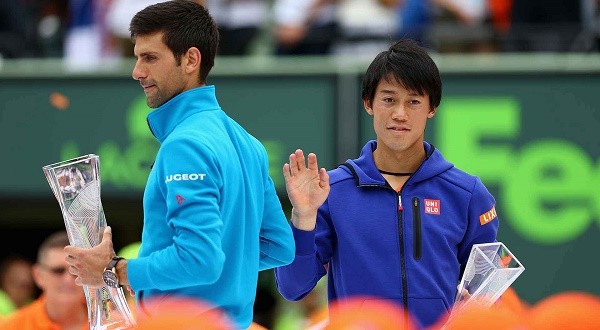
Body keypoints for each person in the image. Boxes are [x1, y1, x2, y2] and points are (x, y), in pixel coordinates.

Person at [63, 1, 296, 329]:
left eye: (150, 58)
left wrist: (115, 270)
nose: (137, 71)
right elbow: (279, 247)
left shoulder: (185, 145)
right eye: (137, 57)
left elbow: (200, 259)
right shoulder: (249, 144)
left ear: (190, 60)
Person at [274, 39, 499, 329]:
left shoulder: (467, 194)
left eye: (414, 101)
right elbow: (293, 288)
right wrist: (303, 217)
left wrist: (479, 307)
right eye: (389, 99)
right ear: (369, 104)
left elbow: (489, 292)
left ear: (432, 108)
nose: (400, 114)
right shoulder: (332, 191)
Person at [0, 231, 87, 330]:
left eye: (76, 271)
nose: (68, 279)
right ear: (39, 276)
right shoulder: (11, 326)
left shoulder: (106, 322)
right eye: (58, 271)